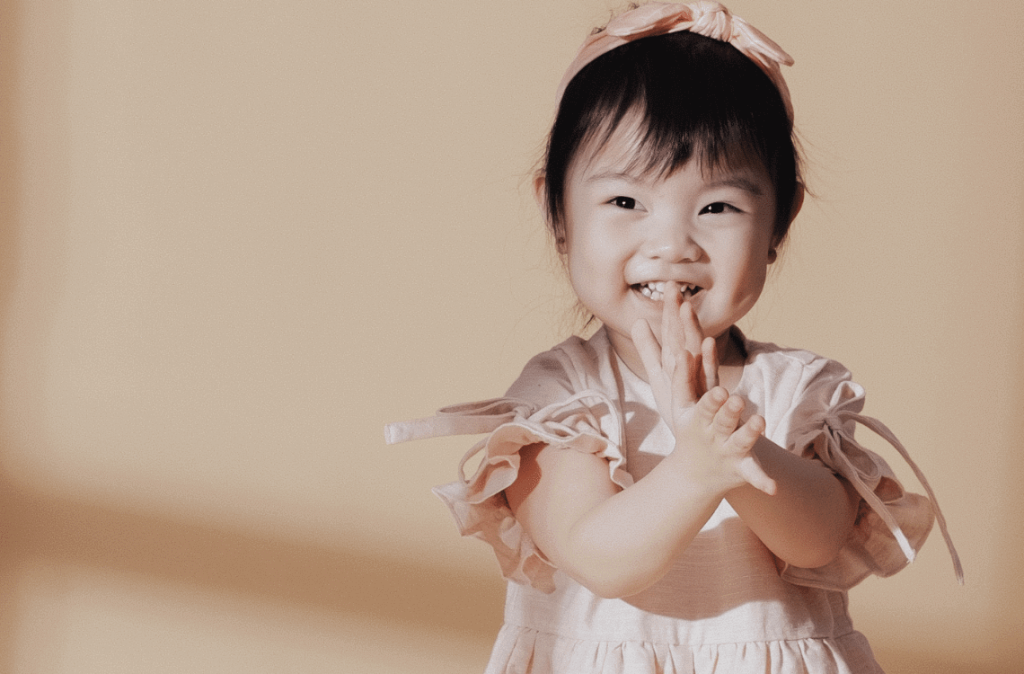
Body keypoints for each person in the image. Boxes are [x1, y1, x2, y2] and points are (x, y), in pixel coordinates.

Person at [386, 2, 962, 672]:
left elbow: (819, 538)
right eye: (626, 203)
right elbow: (601, 557)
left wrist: (731, 447)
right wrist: (697, 468)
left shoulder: (795, 388)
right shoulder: (563, 397)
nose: (671, 245)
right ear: (558, 214)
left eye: (718, 207)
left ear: (781, 220)